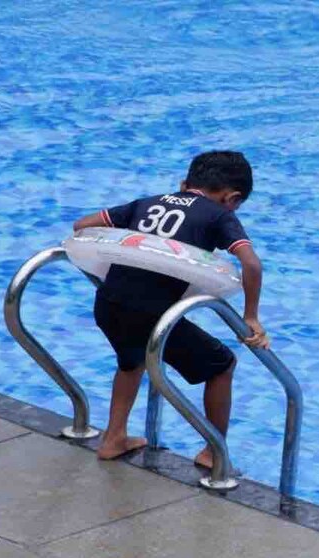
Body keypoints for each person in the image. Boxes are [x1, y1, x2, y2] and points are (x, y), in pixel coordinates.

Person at [71, 150, 269, 466]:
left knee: (131, 360)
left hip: (109, 303)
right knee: (222, 365)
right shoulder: (219, 216)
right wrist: (251, 317)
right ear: (232, 199)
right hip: (152, 316)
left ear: (183, 183)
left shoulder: (146, 203)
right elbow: (251, 264)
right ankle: (212, 453)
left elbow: (82, 225)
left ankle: (114, 438)